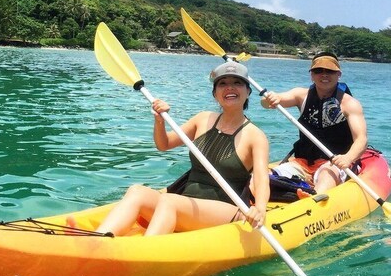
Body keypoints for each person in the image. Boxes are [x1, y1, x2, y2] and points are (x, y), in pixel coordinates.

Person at [95, 62, 270, 237]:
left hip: (226, 210)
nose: (229, 88)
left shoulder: (255, 136)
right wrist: (159, 121)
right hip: (186, 204)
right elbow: (164, 144)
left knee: (170, 201)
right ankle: (99, 240)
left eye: (237, 83)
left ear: (248, 92)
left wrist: (260, 209)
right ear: (215, 94)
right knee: (137, 191)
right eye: (222, 83)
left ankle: (146, 250)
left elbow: (262, 180)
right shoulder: (202, 119)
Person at [260, 52, 367, 194]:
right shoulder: (301, 95)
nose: (324, 75)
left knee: (325, 175)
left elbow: (361, 139)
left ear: (338, 74)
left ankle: (314, 200)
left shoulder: (349, 104)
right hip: (303, 162)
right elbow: (271, 102)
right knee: (263, 178)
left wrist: (347, 158)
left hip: (334, 163)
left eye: (329, 71)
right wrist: (270, 99)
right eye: (318, 71)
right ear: (311, 75)